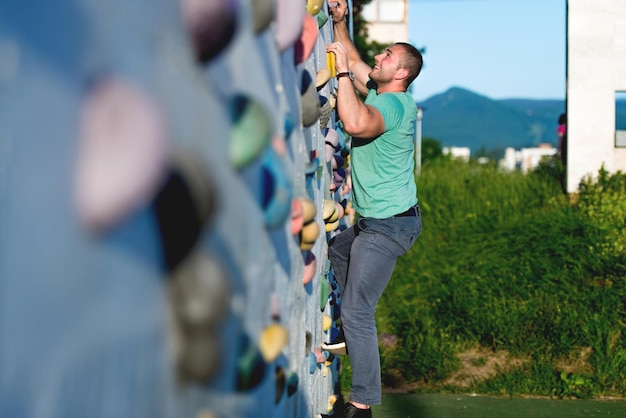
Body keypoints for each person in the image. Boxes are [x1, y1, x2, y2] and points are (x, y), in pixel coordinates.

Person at [320, 1, 423, 417]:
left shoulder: (394, 106)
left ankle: (360, 407)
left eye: (387, 56)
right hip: (375, 224)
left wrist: (342, 72)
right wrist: (341, 24)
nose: (378, 57)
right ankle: (348, 330)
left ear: (401, 73)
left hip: (390, 227)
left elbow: (357, 123)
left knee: (361, 309)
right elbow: (358, 59)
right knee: (339, 250)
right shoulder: (384, 90)